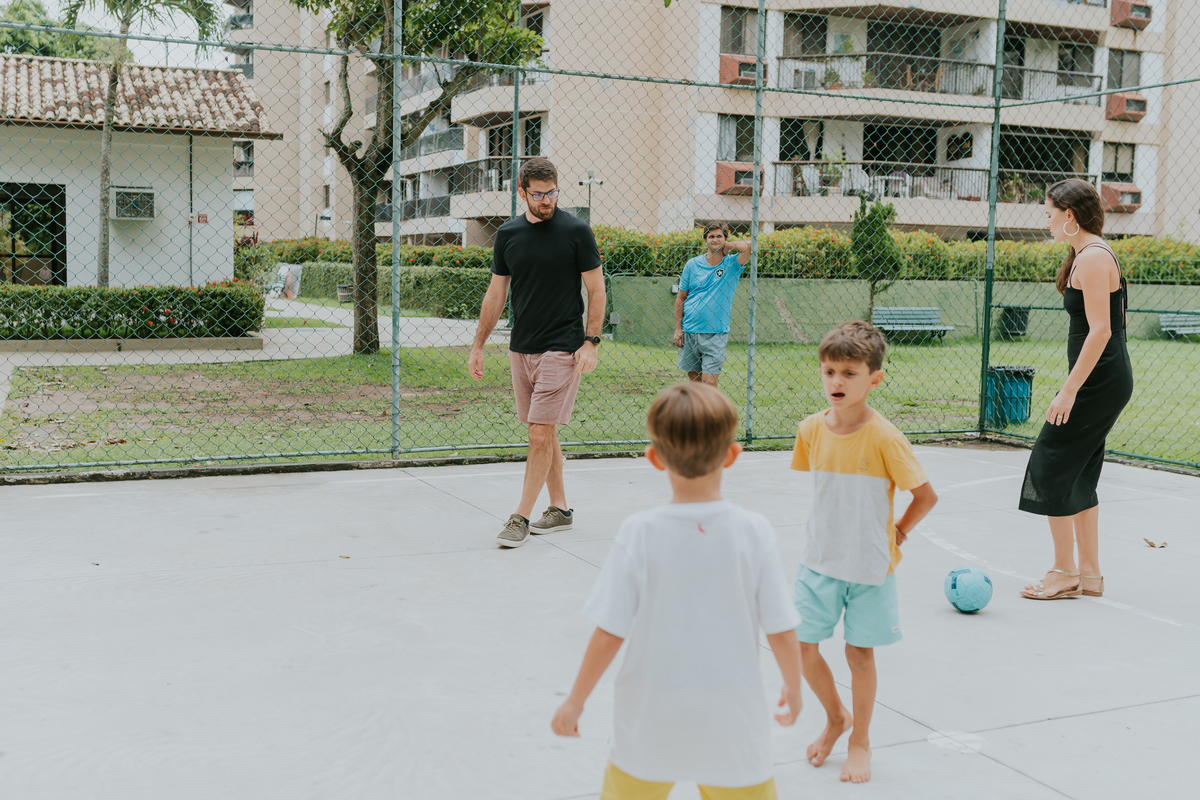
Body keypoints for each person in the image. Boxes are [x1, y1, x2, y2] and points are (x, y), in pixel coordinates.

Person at [551, 383, 803, 800]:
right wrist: (793, 687)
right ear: (732, 454)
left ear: (653, 458)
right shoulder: (753, 532)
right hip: (733, 722)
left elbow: (610, 629)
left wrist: (575, 701)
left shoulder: (639, 533)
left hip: (649, 721)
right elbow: (780, 628)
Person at [790, 321, 938, 784]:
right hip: (819, 561)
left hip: (871, 567)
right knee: (803, 648)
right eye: (829, 371)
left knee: (859, 656)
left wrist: (899, 532)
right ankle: (836, 717)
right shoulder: (810, 429)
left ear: (874, 378)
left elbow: (925, 496)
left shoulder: (886, 437)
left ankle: (860, 742)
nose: (836, 381)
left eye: (849, 373)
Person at [468, 157, 606, 548]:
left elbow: (597, 290)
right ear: (521, 192)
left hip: (562, 347)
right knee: (543, 434)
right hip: (521, 348)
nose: (546, 201)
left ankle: (520, 517)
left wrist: (590, 342)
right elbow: (496, 293)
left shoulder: (577, 231)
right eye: (538, 194)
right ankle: (559, 509)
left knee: (539, 433)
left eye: (552, 193)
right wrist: (478, 345)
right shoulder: (509, 234)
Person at [1018, 179, 1133, 600]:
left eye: (1049, 214)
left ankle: (1063, 571)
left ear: (1069, 215)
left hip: (1099, 382)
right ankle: (1089, 575)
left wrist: (1067, 391)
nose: (1045, 222)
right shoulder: (1086, 254)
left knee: (1049, 463)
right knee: (1080, 472)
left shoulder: (1093, 259)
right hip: (1102, 379)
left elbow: (1101, 331)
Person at [673, 223, 751, 387]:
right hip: (690, 331)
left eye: (719, 236)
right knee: (695, 378)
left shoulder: (732, 265)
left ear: (725, 239)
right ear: (705, 241)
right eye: (711, 236)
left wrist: (724, 246)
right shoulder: (692, 264)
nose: (715, 239)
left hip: (716, 333)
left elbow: (750, 247)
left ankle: (713, 411)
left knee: (710, 382)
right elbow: (681, 298)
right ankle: (702, 410)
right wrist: (678, 329)